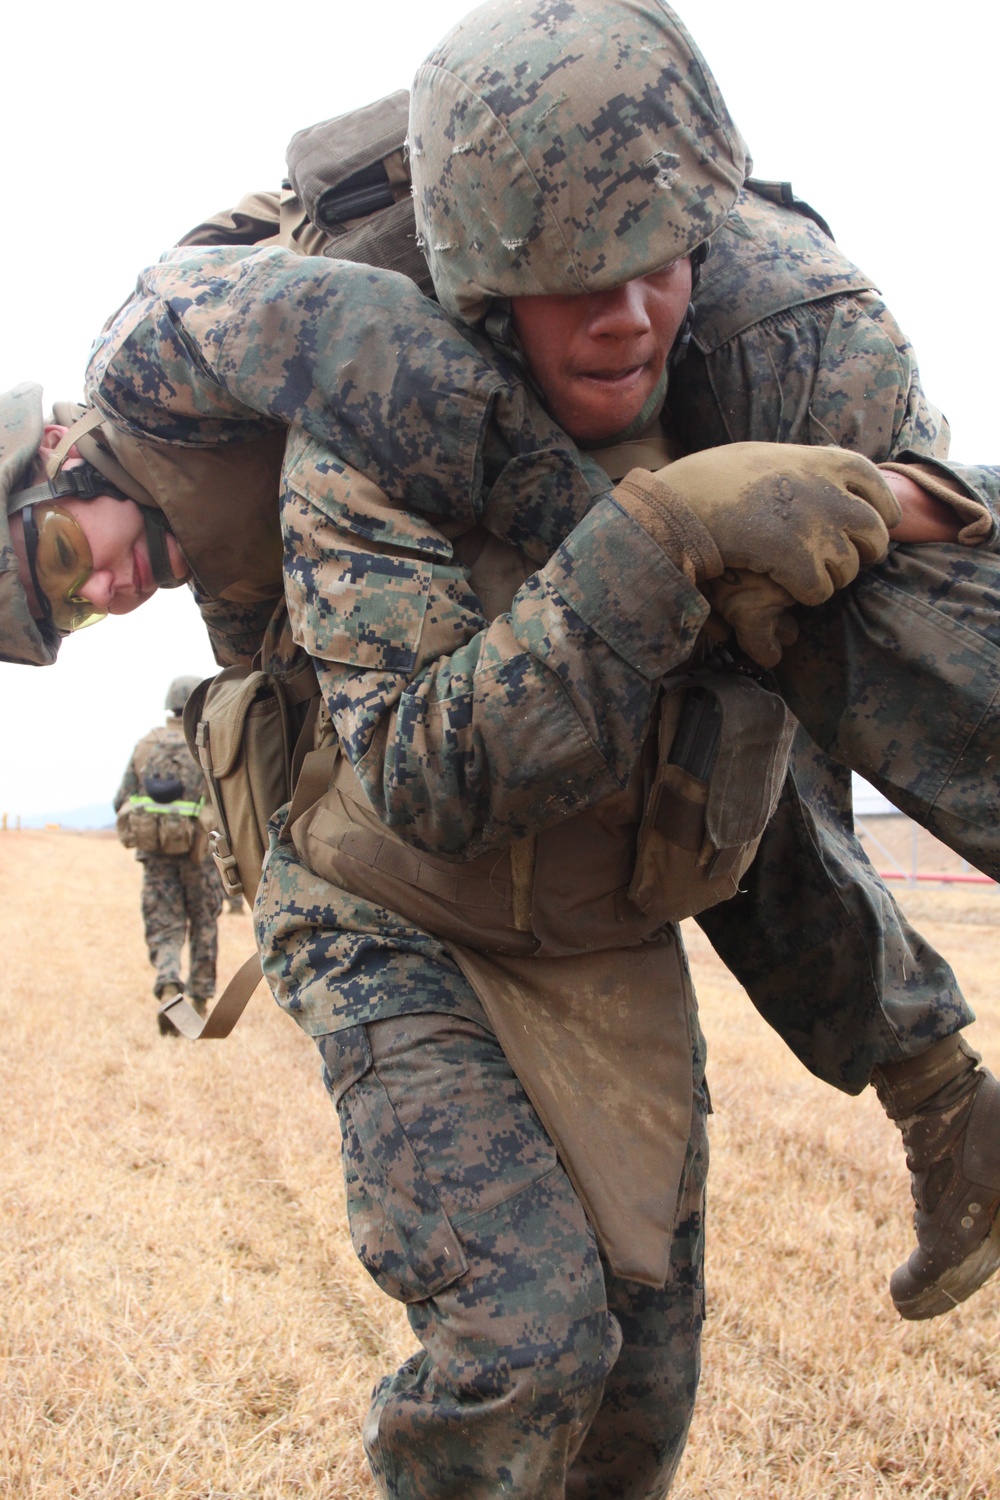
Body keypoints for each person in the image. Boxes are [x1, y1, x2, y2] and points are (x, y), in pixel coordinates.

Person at [0, 4, 998, 1486]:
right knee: (524, 1346)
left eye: (65, 566)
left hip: (597, 846)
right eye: (72, 619)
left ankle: (940, 1094)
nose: (111, 590)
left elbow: (353, 328)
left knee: (638, 1397)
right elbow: (421, 753)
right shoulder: (318, 473)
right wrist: (663, 530)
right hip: (396, 873)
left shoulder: (176, 342)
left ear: (46, 458)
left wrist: (867, 501)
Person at [113, 675, 224, 1032]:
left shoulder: (147, 745)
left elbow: (121, 800)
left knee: (166, 927)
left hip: (156, 858)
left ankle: (169, 986)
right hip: (201, 857)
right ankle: (199, 1003)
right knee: (204, 926)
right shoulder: (209, 743)